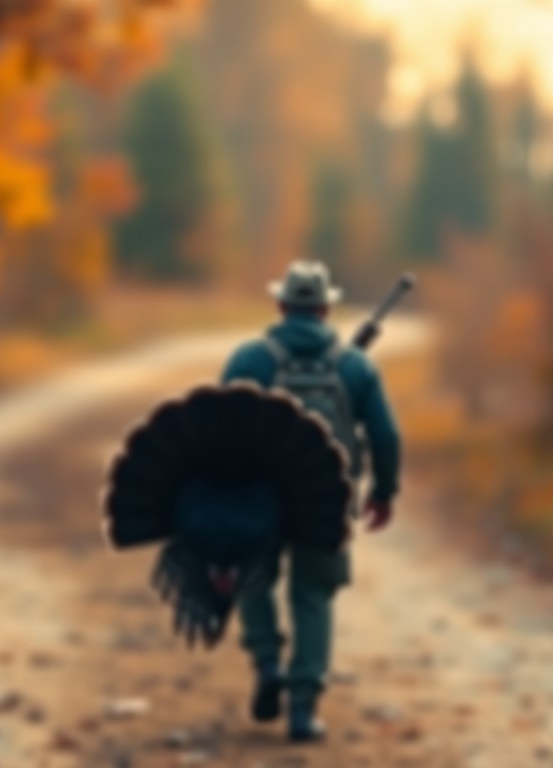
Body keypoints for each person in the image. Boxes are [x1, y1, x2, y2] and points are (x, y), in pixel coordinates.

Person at [218, 260, 401, 743]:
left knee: (253, 578)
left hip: (258, 496)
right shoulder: (356, 366)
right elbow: (385, 435)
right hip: (327, 498)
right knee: (313, 595)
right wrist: (383, 493)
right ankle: (302, 709)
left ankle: (267, 663)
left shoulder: (249, 360)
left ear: (281, 306)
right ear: (324, 308)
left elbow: (215, 430)